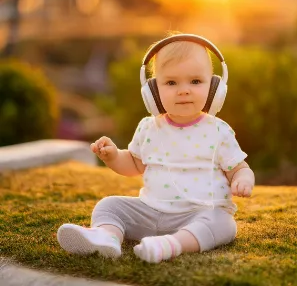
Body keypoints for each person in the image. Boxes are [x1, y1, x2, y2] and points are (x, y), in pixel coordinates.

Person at [57, 33, 255, 263]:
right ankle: (107, 237)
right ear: (152, 92)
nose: (183, 90)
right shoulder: (149, 127)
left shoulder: (218, 131)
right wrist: (112, 156)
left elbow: (239, 168)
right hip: (149, 212)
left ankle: (171, 244)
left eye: (195, 81)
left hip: (197, 214)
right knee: (109, 205)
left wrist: (243, 179)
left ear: (214, 89)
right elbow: (133, 164)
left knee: (223, 223)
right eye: (171, 83)